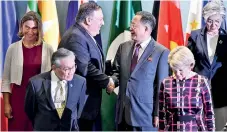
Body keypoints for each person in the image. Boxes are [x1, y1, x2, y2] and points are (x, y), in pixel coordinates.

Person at [58, 1, 118, 131]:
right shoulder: (76, 37)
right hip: (79, 105)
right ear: (88, 20)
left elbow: (89, 60)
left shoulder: (83, 35)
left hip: (86, 104)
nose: (103, 23)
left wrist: (110, 65)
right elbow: (85, 67)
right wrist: (107, 81)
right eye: (100, 19)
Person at [112, 11, 169, 131]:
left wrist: (158, 113)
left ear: (146, 29)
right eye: (131, 25)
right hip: (122, 112)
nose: (131, 28)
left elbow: (161, 86)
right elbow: (117, 72)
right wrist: (111, 81)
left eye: (134, 26)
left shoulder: (161, 52)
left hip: (145, 115)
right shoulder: (124, 47)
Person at [1, 11, 53, 131]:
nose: (30, 32)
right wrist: (6, 104)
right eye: (27, 27)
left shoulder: (48, 48)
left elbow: (53, 78)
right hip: (18, 98)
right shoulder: (12, 48)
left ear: (39, 29)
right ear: (21, 27)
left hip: (40, 99)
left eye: (34, 28)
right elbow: (6, 79)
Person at [187, 1, 227, 130]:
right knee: (199, 126)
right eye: (210, 21)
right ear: (205, 19)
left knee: (219, 127)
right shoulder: (195, 35)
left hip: (221, 90)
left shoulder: (226, 37)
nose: (214, 25)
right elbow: (188, 62)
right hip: (198, 88)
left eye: (217, 21)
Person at [24, 48, 87, 131]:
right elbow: (30, 110)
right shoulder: (35, 83)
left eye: (73, 66)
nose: (71, 72)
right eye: (66, 69)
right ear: (54, 67)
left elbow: (79, 109)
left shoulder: (80, 82)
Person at [159, 46, 215, 131]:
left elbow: (209, 112)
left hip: (196, 128)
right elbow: (162, 112)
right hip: (172, 128)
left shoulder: (201, 81)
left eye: (180, 70)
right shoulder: (166, 82)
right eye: (174, 70)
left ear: (191, 65)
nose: (177, 73)